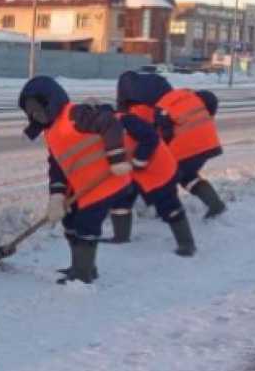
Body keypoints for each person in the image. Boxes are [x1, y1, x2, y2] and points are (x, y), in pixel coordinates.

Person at [18, 76, 134, 284]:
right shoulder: (51, 133)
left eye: (39, 109)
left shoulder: (75, 114)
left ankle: (83, 275)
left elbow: (110, 123)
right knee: (70, 220)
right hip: (86, 188)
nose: (37, 115)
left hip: (108, 180)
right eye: (32, 113)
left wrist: (117, 158)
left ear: (51, 102)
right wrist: (57, 196)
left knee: (85, 224)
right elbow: (57, 167)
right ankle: (82, 267)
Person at [116, 71, 227, 218]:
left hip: (186, 148)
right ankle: (215, 204)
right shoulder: (182, 96)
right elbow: (209, 99)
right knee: (187, 176)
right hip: (209, 144)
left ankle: (169, 212)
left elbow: (159, 135)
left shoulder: (148, 110)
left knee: (164, 175)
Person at [105, 103, 196, 256]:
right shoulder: (103, 130)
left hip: (158, 170)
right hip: (133, 171)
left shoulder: (126, 121)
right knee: (121, 199)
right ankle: (121, 237)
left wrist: (139, 161)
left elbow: (150, 137)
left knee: (168, 205)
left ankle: (186, 244)